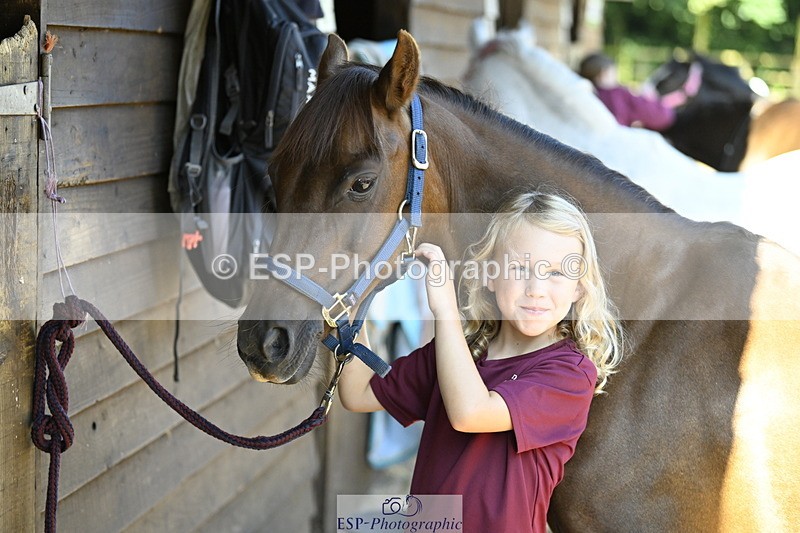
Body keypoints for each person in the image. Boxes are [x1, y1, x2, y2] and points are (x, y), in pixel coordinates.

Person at [339, 190, 624, 533]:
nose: (536, 288)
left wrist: (444, 310)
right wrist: (352, 303)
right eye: (520, 268)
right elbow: (358, 394)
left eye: (556, 273)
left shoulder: (570, 373)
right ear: (490, 276)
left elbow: (470, 413)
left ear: (579, 288)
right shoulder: (459, 352)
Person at [579, 52, 679, 131]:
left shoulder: (586, 96)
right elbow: (663, 116)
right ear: (604, 74)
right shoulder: (618, 95)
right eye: (613, 71)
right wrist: (649, 98)